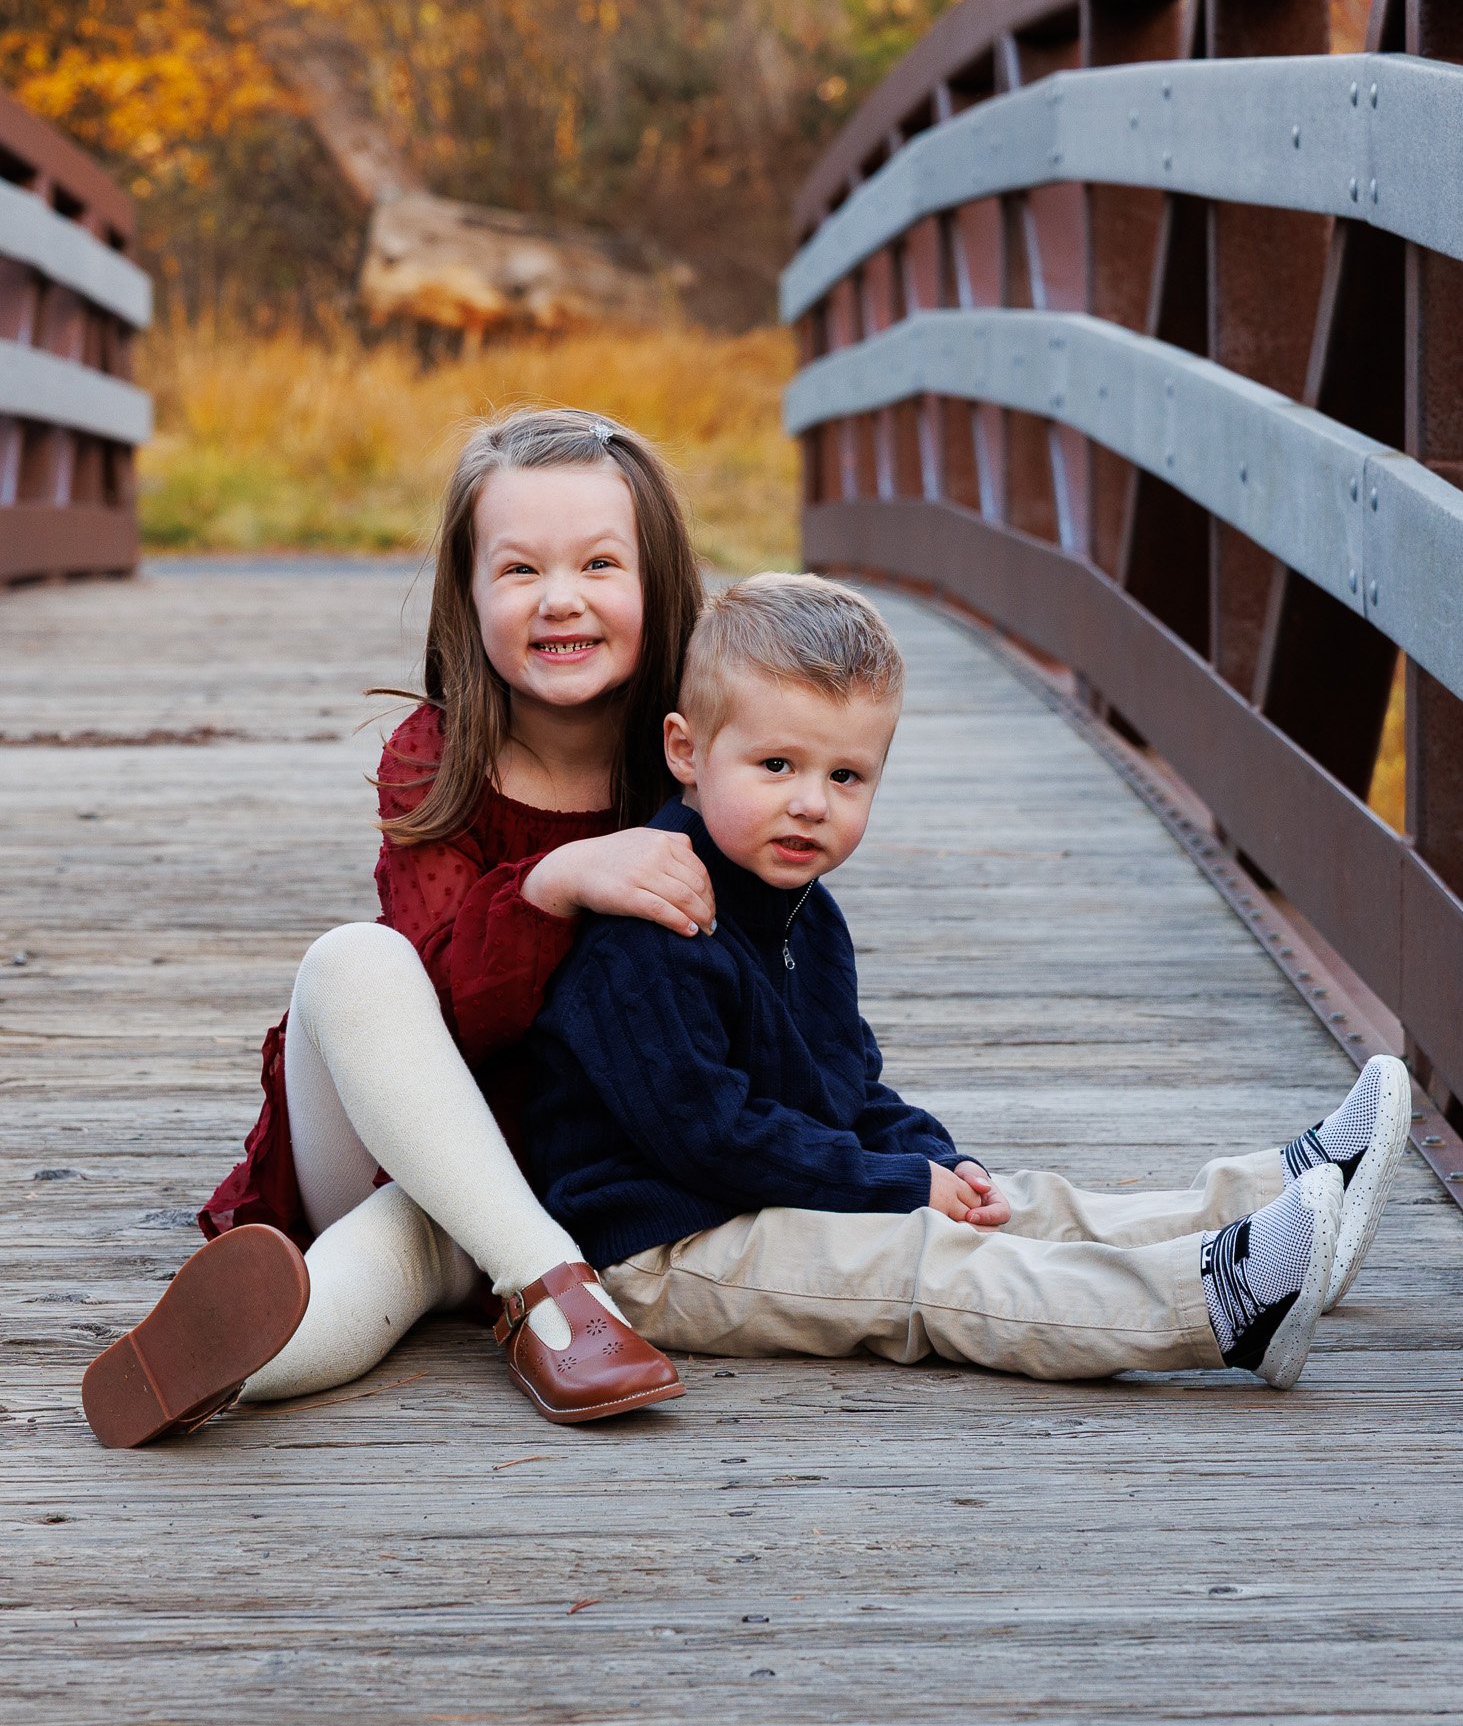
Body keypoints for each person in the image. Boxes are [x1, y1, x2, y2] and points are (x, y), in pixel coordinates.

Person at [524, 573, 1412, 1389]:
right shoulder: (656, 928)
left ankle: (1284, 1198)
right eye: (775, 767)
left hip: (760, 1192)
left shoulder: (805, 916)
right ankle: (1212, 1307)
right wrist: (899, 1186)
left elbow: (848, 1088)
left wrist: (939, 1159)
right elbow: (707, 1135)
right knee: (934, 1264)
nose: (810, 803)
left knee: (1012, 1206)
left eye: (845, 776)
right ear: (687, 751)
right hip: (661, 1247)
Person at [82, 408, 715, 1447]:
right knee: (355, 958)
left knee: (394, 1259)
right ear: (467, 597)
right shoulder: (436, 755)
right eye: (518, 570)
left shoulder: (697, 757)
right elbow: (443, 1020)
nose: (560, 598)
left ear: (661, 581)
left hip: (562, 1169)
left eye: (601, 562)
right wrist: (552, 878)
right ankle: (554, 1292)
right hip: (399, 1133)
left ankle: (221, 1369)